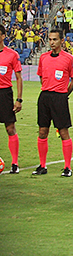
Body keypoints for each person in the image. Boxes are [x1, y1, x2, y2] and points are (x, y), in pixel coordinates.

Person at [34, 29, 73, 177]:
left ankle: (67, 167)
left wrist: (65, 94)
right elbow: (41, 76)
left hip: (60, 98)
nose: (52, 42)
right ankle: (42, 166)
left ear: (61, 41)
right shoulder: (43, 57)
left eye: (55, 39)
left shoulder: (69, 58)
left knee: (64, 132)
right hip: (44, 97)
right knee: (42, 131)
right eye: (50, 39)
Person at [0, 24, 23, 174]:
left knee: (10, 128)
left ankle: (14, 163)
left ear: (2, 36)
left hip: (4, 94)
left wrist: (19, 99)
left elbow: (19, 77)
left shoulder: (11, 54)